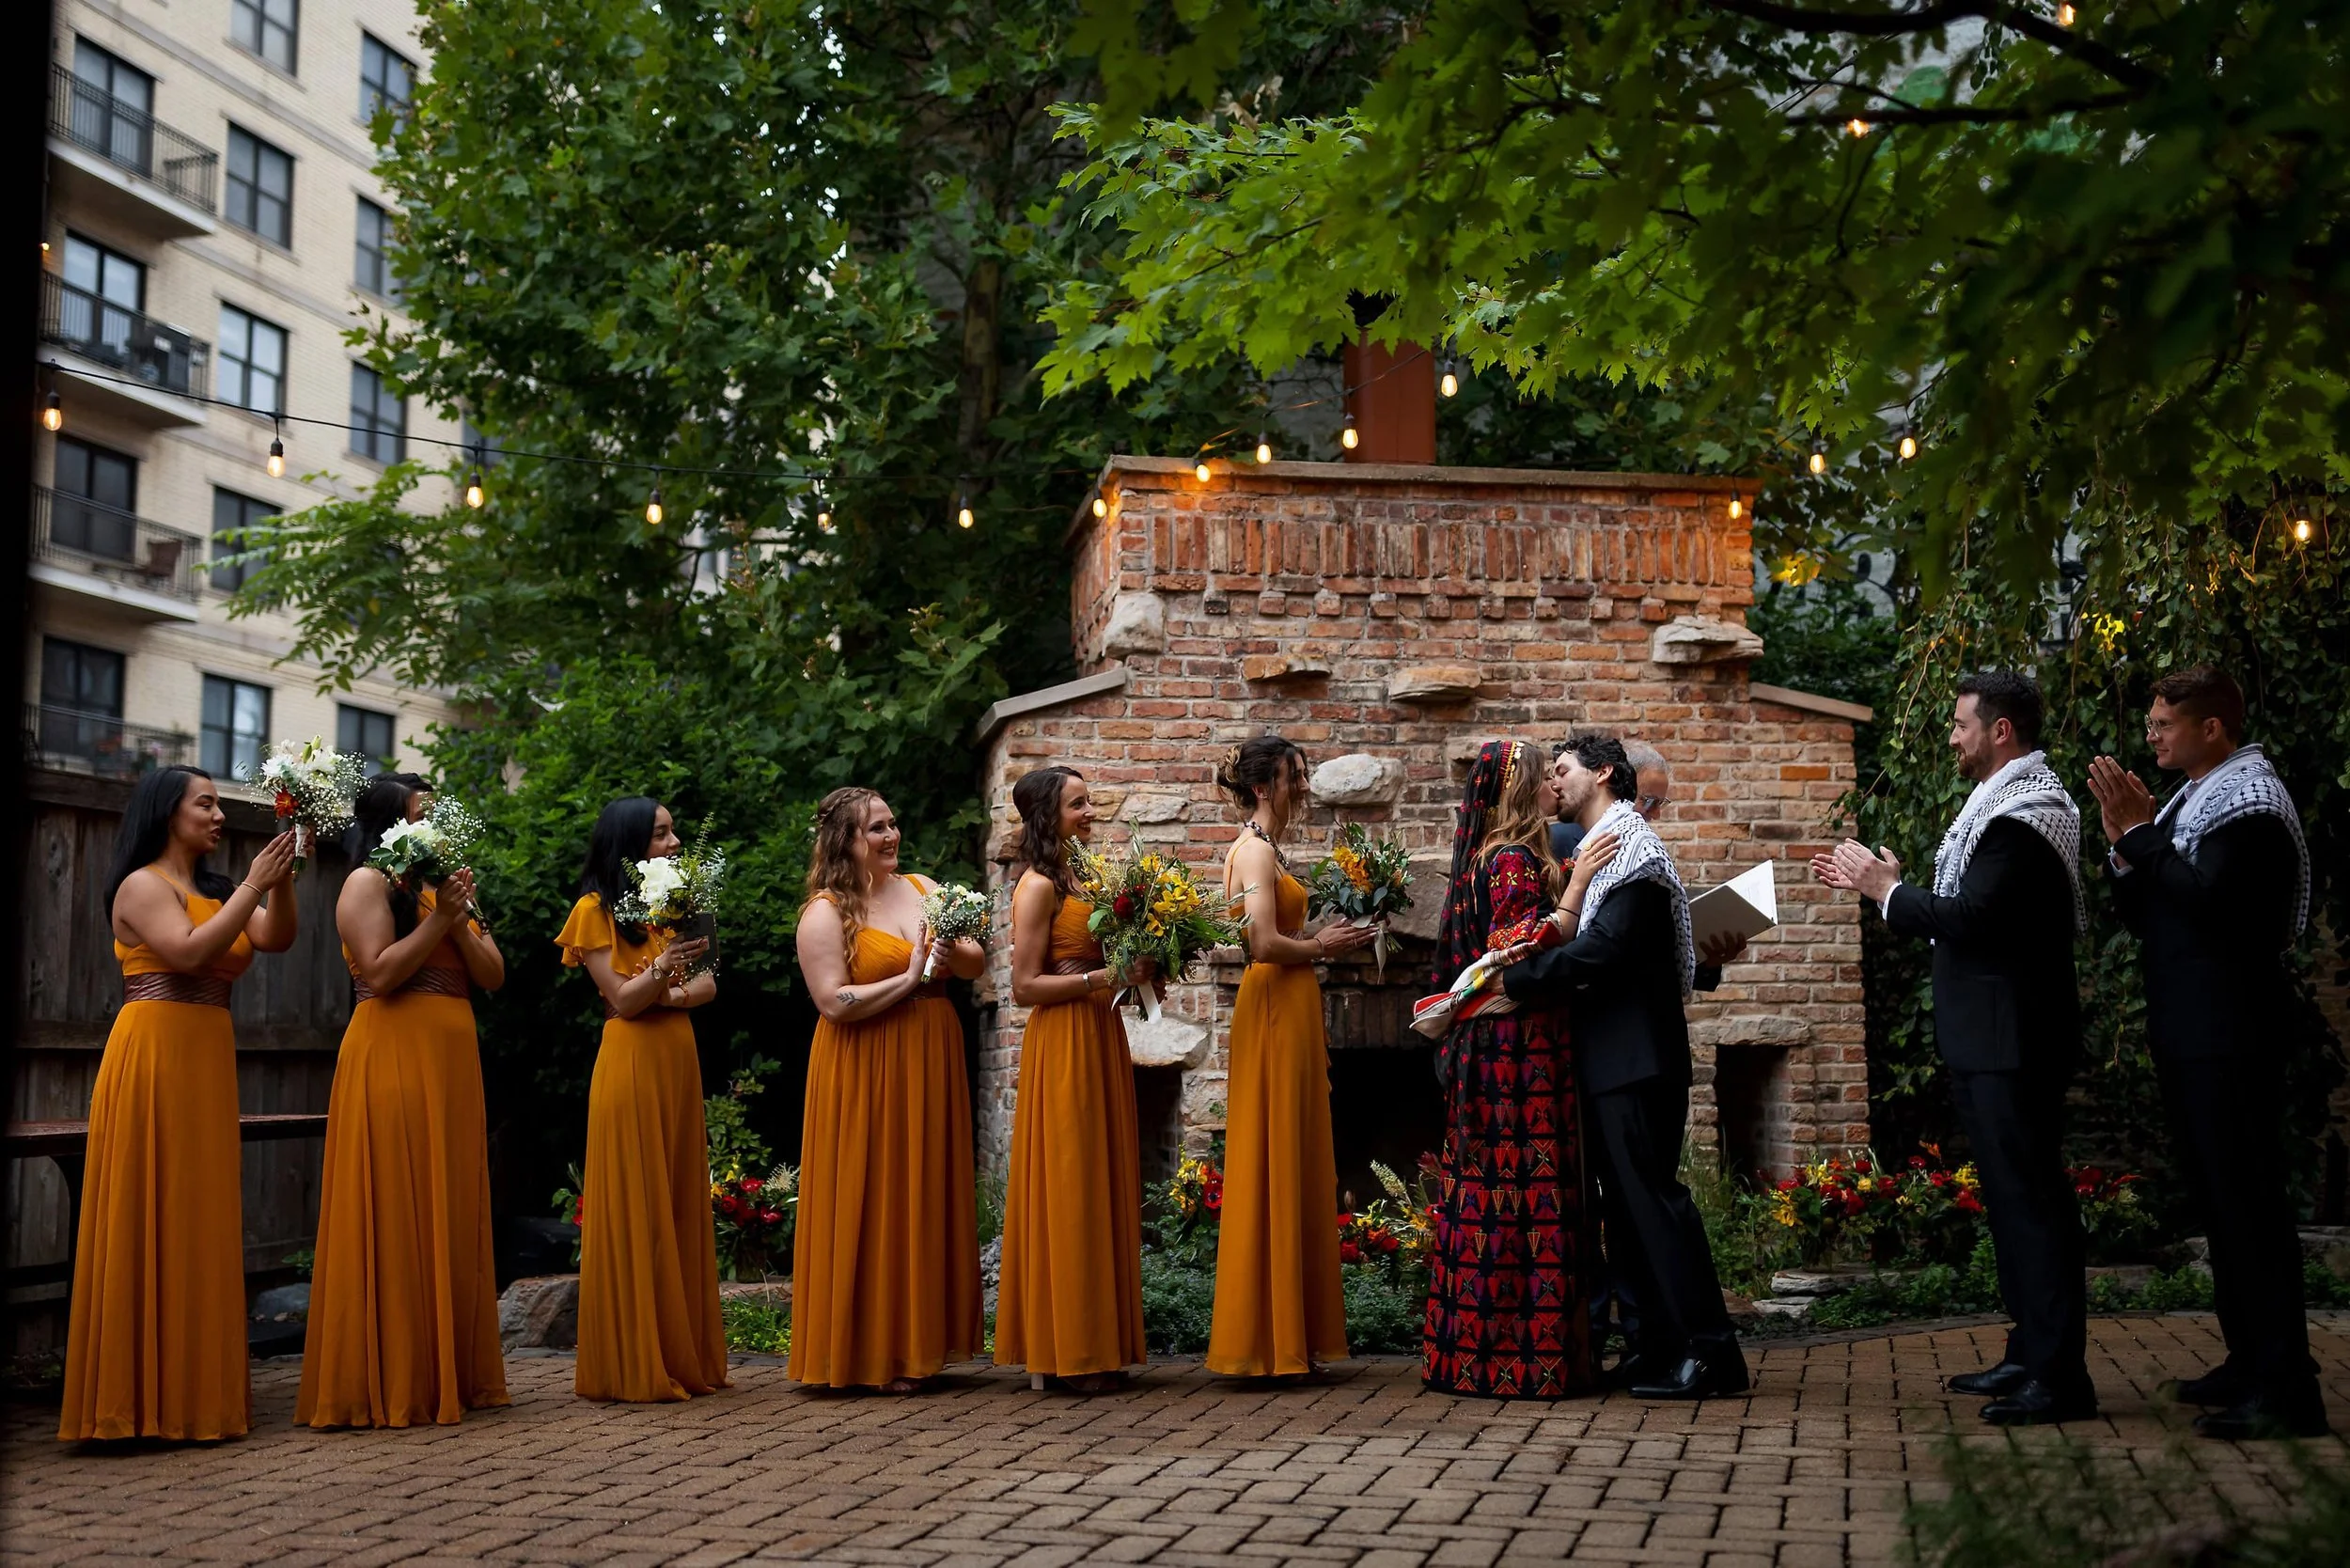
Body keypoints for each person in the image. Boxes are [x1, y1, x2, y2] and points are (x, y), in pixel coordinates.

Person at [1814, 671, 2092, 1425]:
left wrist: (1882, 890)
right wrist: (1895, 886)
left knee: (2032, 1204)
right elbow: (1970, 916)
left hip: (2014, 1039)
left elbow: (1973, 918)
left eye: (1961, 723)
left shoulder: (2024, 816)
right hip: (1993, 1037)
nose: (1951, 736)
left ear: (2000, 732)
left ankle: (2060, 1375)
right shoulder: (1998, 809)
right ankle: (2030, 1351)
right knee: (2009, 1203)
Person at [2087, 666, 2328, 1439]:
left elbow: (2211, 907)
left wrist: (2144, 835)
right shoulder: (2199, 797)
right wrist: (2126, 844)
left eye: (2165, 724)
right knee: (2222, 1208)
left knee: (2250, 1209)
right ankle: (2249, 1360)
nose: (2151, 735)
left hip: (2234, 1031)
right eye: (2152, 723)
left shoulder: (2250, 802)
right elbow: (2152, 914)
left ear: (2212, 728)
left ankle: (2288, 1388)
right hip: (2194, 1029)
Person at [1495, 732, 1748, 1401]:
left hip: (1637, 1060)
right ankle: (1653, 1347)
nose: (1555, 781)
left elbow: (1605, 950)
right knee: (1629, 1218)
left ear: (1604, 773)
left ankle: (1713, 1354)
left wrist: (1516, 980)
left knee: (1659, 1208)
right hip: (1613, 1057)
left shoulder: (1633, 847)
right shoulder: (1602, 848)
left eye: (1565, 769)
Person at [60, 767, 299, 1442]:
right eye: (207, 803)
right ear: (169, 812)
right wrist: (254, 882)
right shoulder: (143, 886)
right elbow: (190, 953)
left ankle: (192, 1395)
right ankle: (130, 1402)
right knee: (148, 1205)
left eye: (219, 804)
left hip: (205, 1058)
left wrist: (279, 882)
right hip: (155, 1054)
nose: (220, 814)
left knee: (198, 1210)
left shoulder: (215, 890)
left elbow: (275, 938)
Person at [299, 774, 509, 1429]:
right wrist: (442, 920)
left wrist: (459, 917)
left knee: (447, 1204)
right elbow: (381, 972)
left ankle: (447, 1370)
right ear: (392, 824)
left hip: (450, 1062)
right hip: (391, 1051)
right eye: (425, 813)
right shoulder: (367, 883)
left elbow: (494, 974)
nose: (438, 823)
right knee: (394, 1200)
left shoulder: (441, 884)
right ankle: (387, 1377)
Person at [1423, 740, 1617, 1399]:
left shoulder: (1500, 856)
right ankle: (1525, 1362)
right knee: (1519, 1197)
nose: (1552, 791)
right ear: (1521, 789)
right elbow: (1518, 949)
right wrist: (1581, 884)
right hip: (1516, 1050)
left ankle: (1473, 1359)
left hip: (1507, 1045)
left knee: (1492, 1195)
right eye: (1543, 780)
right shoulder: (1508, 859)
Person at [791, 787, 985, 1391]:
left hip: (930, 1055)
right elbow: (833, 1003)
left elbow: (979, 962)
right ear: (845, 840)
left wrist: (955, 953)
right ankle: (873, 1351)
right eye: (876, 828)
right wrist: (907, 979)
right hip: (863, 1064)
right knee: (873, 1191)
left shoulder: (925, 889)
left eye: (893, 824)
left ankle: (919, 1342)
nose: (891, 836)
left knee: (920, 1190)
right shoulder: (825, 912)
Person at [1209, 735, 1380, 1378]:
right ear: (1262, 787)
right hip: (1275, 1005)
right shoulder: (1253, 851)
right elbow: (1259, 943)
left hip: (1292, 1005)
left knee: (1299, 1152)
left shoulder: (1269, 847)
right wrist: (1324, 945)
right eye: (1294, 776)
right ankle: (1267, 1339)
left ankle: (1292, 1333)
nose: (1304, 787)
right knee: (1275, 1153)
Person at [560, 797, 728, 1403]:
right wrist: (660, 974)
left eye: (674, 831)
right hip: (629, 1058)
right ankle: (632, 1359)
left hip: (676, 1054)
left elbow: (709, 982)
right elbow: (622, 1001)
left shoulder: (681, 899)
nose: (675, 842)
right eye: (661, 834)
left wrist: (674, 994)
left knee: (680, 1197)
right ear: (629, 843)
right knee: (638, 1202)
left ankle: (686, 1355)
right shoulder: (593, 910)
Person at [995, 767, 1151, 1391]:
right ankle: (1066, 1353)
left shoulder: (1087, 876)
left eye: (1090, 801)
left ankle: (1101, 1342)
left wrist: (1145, 965)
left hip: (1101, 1037)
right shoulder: (1036, 888)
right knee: (1069, 1187)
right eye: (1076, 804)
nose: (1091, 812)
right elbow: (1024, 987)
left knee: (1102, 1182)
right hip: (1062, 1043)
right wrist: (1101, 979)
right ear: (1044, 817)